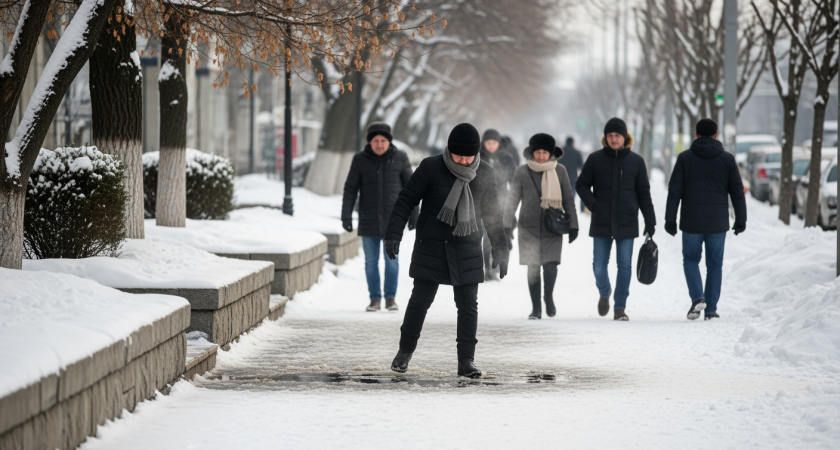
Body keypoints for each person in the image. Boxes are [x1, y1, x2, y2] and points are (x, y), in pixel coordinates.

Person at [384, 123, 509, 378]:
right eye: (458, 155)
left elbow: (493, 214)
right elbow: (406, 199)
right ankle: (404, 352)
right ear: (449, 150)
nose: (463, 161)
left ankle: (466, 361)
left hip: (467, 247)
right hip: (431, 246)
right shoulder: (431, 167)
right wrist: (394, 234)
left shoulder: (485, 172)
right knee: (419, 301)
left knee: (468, 306)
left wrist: (500, 248)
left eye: (468, 156)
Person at [664, 118, 747, 320]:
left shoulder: (684, 158)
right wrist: (741, 219)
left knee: (691, 260)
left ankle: (697, 297)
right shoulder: (727, 160)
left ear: (696, 135)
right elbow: (737, 192)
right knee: (715, 265)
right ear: (716, 134)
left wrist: (670, 219)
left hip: (691, 222)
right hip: (717, 223)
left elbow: (674, 191)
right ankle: (710, 310)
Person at [576, 117, 656, 321]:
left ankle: (620, 307)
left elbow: (644, 194)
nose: (614, 139)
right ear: (606, 137)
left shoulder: (636, 162)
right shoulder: (595, 159)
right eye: (610, 135)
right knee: (598, 267)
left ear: (625, 137)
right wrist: (594, 205)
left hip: (627, 220)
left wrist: (650, 221)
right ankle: (605, 292)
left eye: (617, 135)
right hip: (601, 220)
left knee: (625, 265)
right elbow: (581, 184)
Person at [342, 122, 418, 312]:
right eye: (376, 140)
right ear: (370, 142)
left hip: (394, 221)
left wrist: (414, 214)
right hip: (368, 218)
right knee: (370, 263)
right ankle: (374, 299)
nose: (379, 144)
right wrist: (346, 215)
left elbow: (412, 189)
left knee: (392, 261)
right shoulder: (360, 159)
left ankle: (390, 299)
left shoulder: (400, 157)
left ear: (389, 141)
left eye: (383, 140)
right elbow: (350, 188)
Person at [505, 133, 579, 320]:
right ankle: (536, 308)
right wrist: (506, 224)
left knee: (551, 266)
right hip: (528, 227)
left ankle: (548, 296)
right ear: (531, 152)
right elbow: (512, 199)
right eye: (537, 152)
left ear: (551, 153)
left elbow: (568, 198)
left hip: (552, 226)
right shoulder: (522, 171)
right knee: (533, 268)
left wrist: (573, 225)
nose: (541, 156)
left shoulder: (560, 170)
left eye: (545, 152)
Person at [480, 128, 517, 280]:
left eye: (493, 143)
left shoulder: (506, 158)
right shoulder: (478, 157)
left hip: (502, 201)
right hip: (482, 202)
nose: (491, 146)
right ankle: (487, 269)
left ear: (498, 143)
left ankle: (496, 267)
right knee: (486, 237)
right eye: (488, 143)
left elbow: (514, 181)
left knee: (501, 235)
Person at [560, 137, 585, 212]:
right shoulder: (576, 153)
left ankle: (561, 210)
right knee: (571, 198)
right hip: (572, 179)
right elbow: (581, 166)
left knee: (561, 196)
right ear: (573, 143)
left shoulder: (560, 152)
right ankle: (569, 211)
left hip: (561, 178)